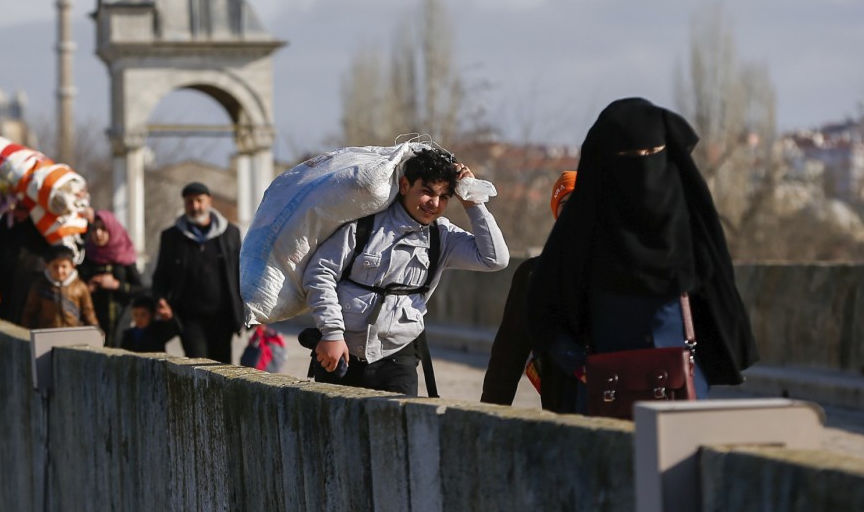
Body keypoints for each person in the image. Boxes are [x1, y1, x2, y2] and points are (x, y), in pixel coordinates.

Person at [526, 97, 759, 414]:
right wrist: (580, 367)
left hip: (683, 392)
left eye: (652, 155)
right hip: (606, 394)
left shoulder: (690, 228)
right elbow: (543, 310)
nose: (642, 170)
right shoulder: (583, 231)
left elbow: (717, 305)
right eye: (628, 157)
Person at [304, 146, 509, 396]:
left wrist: (472, 201)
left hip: (397, 360)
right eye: (427, 192)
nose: (434, 204)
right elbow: (320, 273)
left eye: (444, 197)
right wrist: (332, 334)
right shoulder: (364, 226)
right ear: (404, 186)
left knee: (398, 433)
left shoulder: (442, 237)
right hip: (341, 354)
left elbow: (495, 259)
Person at [481, 171, 576, 409]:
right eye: (566, 203)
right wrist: (490, 416)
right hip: (561, 407)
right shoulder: (534, 274)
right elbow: (508, 356)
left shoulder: (618, 270)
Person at [152, 181, 245, 364]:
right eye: (189, 202)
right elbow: (161, 275)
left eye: (199, 201)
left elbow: (241, 273)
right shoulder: (172, 237)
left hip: (222, 318)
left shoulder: (230, 234)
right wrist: (160, 300)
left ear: (209, 201)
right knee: (198, 366)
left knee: (223, 368)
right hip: (189, 318)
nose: (195, 206)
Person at [0, 205, 48, 325]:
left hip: (32, 308)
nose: (21, 215)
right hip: (0, 306)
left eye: (25, 210)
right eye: (18, 209)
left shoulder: (41, 233)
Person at [80, 210, 143, 345]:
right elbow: (76, 288)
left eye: (103, 229)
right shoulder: (88, 256)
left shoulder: (124, 258)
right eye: (94, 229)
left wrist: (116, 285)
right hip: (93, 324)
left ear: (112, 230)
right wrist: (88, 288)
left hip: (121, 324)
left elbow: (140, 290)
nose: (98, 234)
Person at [21, 244, 99, 329]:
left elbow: (88, 311)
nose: (59, 271)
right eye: (55, 267)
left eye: (64, 266)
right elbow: (30, 311)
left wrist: (95, 328)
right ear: (47, 265)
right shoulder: (39, 286)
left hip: (73, 334)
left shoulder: (80, 287)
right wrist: (26, 330)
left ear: (72, 266)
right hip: (47, 333)